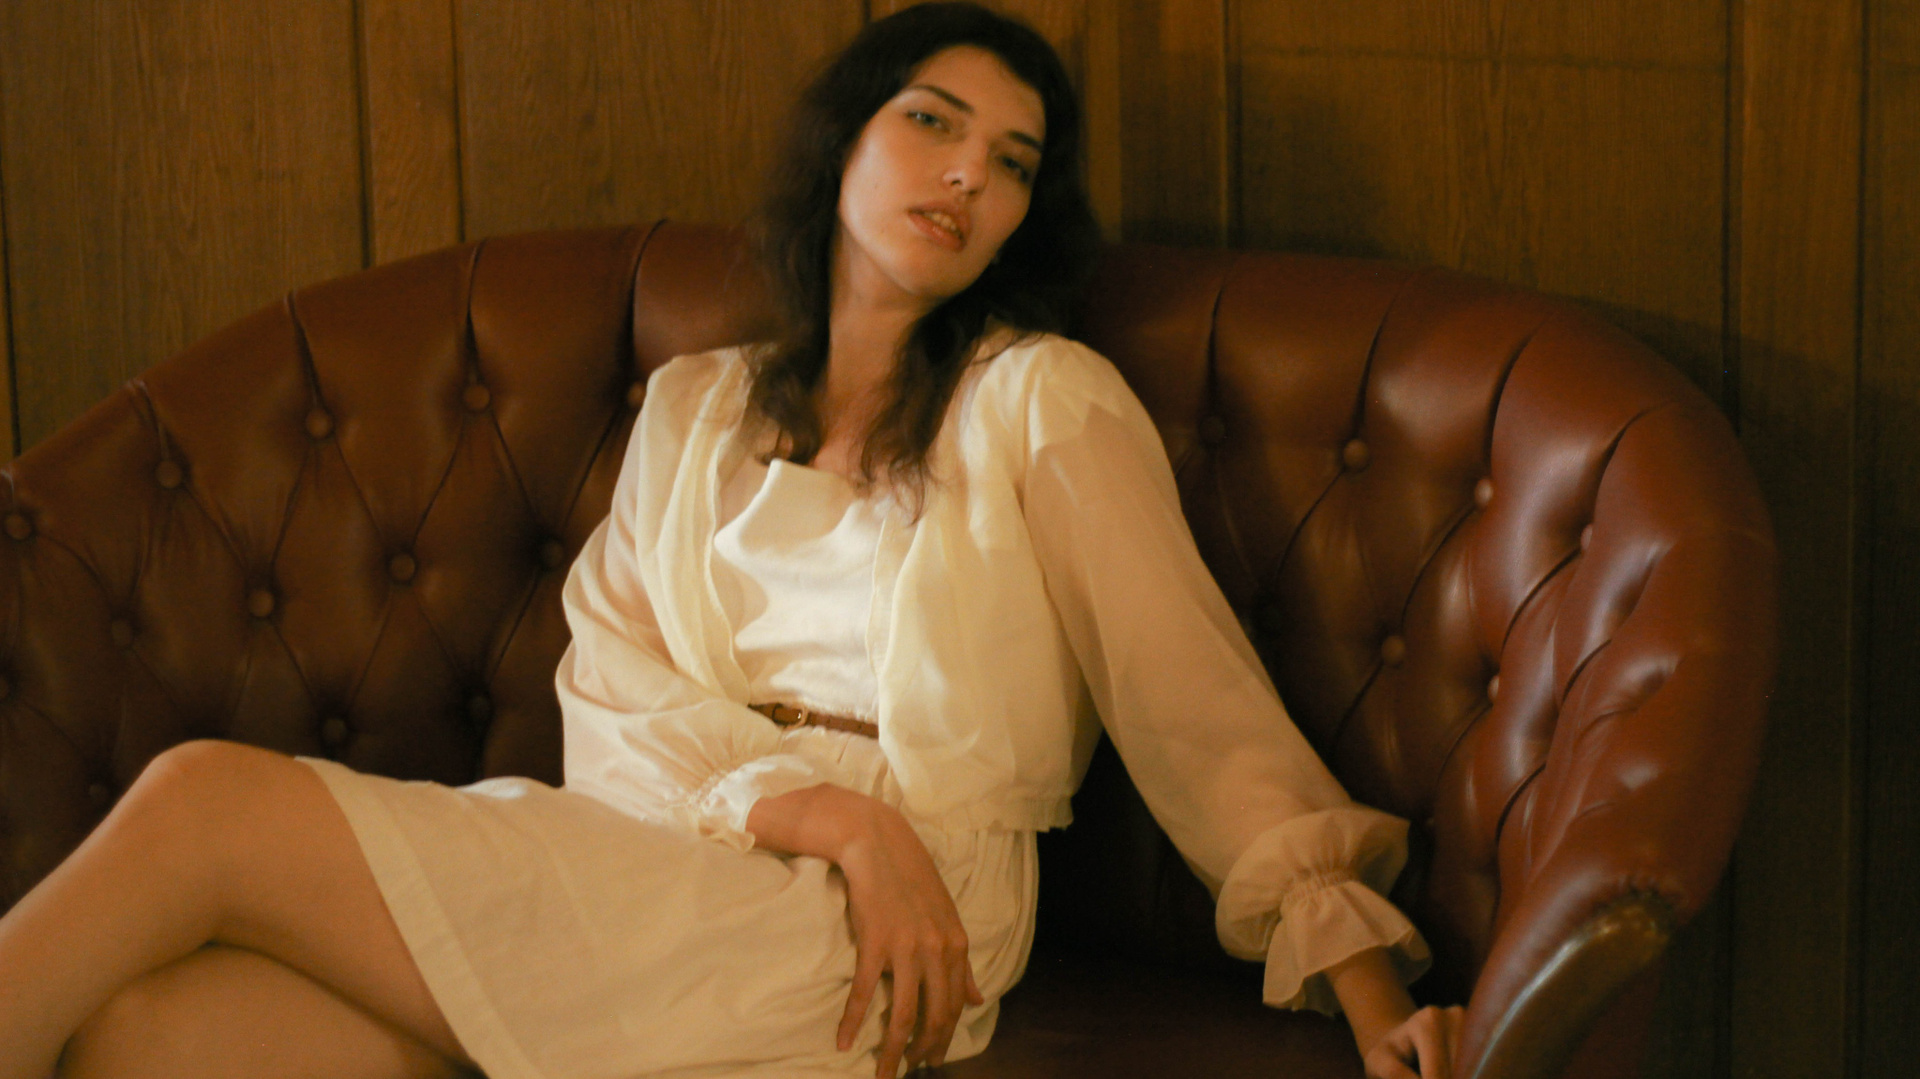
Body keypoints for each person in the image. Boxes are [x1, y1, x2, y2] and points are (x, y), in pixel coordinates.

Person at [0, 4, 1461, 1078]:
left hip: (911, 913)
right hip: (688, 843)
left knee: (202, 799)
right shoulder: (697, 407)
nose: (969, 174)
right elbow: (612, 693)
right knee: (151, 1035)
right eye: (933, 123)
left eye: (1013, 162)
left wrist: (1365, 987)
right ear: (846, 139)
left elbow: (1190, 700)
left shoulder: (1039, 401)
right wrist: (823, 815)